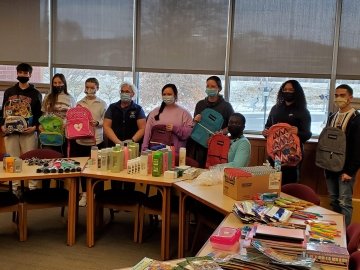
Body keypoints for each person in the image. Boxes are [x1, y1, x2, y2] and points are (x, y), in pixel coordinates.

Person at [0, 63, 42, 191]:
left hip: (28, 132)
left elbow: (39, 114)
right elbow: (3, 111)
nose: (23, 75)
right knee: (13, 160)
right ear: (17, 73)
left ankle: (33, 188)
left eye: (25, 73)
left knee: (31, 160)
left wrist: (34, 127)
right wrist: (2, 125)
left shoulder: (36, 93)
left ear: (30, 75)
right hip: (11, 132)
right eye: (21, 72)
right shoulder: (9, 92)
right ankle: (15, 188)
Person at [262, 79, 311, 185]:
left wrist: (298, 132)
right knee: (273, 182)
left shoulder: (303, 111)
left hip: (292, 153)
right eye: (285, 89)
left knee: (289, 183)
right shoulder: (275, 109)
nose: (287, 92)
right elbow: (268, 126)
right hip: (275, 152)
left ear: (296, 92)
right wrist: (265, 132)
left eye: (291, 90)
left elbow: (307, 134)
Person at [324, 84, 360, 226]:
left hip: (346, 169)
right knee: (333, 200)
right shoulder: (332, 117)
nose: (339, 98)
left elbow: (358, 147)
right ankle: (336, 230)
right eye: (336, 95)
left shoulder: (356, 118)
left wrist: (350, 171)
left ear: (350, 98)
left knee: (345, 202)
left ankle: (345, 236)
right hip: (330, 167)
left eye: (342, 95)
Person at [69, 78, 107, 207]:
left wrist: (97, 123)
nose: (89, 90)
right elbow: (74, 120)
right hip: (81, 141)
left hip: (96, 141)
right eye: (87, 87)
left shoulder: (102, 103)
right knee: (83, 170)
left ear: (97, 88)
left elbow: (105, 121)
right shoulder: (79, 103)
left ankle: (97, 194)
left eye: (92, 87)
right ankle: (84, 194)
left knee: (97, 169)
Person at [103, 82, 146, 191]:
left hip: (131, 147)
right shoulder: (112, 107)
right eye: (122, 91)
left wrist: (132, 141)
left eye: (127, 92)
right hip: (115, 146)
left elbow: (142, 128)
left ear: (132, 94)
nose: (124, 93)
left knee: (130, 175)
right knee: (115, 174)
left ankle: (128, 203)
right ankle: (115, 204)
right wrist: (117, 141)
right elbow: (107, 126)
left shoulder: (138, 109)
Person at [187, 76, 234, 168]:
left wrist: (221, 132)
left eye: (213, 86)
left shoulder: (226, 106)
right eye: (208, 86)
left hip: (217, 146)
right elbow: (194, 125)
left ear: (219, 88)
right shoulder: (200, 104)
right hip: (199, 144)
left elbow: (231, 126)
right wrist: (195, 120)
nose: (209, 88)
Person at [142, 83, 193, 152]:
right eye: (164, 94)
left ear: (175, 95)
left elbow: (188, 133)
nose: (166, 96)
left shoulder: (184, 114)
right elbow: (147, 132)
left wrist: (175, 129)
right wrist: (144, 149)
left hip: (175, 154)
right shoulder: (154, 112)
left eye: (169, 94)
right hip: (155, 153)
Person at [40, 73, 75, 155]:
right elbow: (44, 113)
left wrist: (66, 124)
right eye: (55, 83)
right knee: (49, 157)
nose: (57, 85)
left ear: (64, 83)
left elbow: (72, 117)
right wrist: (41, 125)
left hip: (64, 133)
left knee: (62, 157)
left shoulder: (70, 98)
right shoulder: (47, 97)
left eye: (60, 82)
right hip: (49, 132)